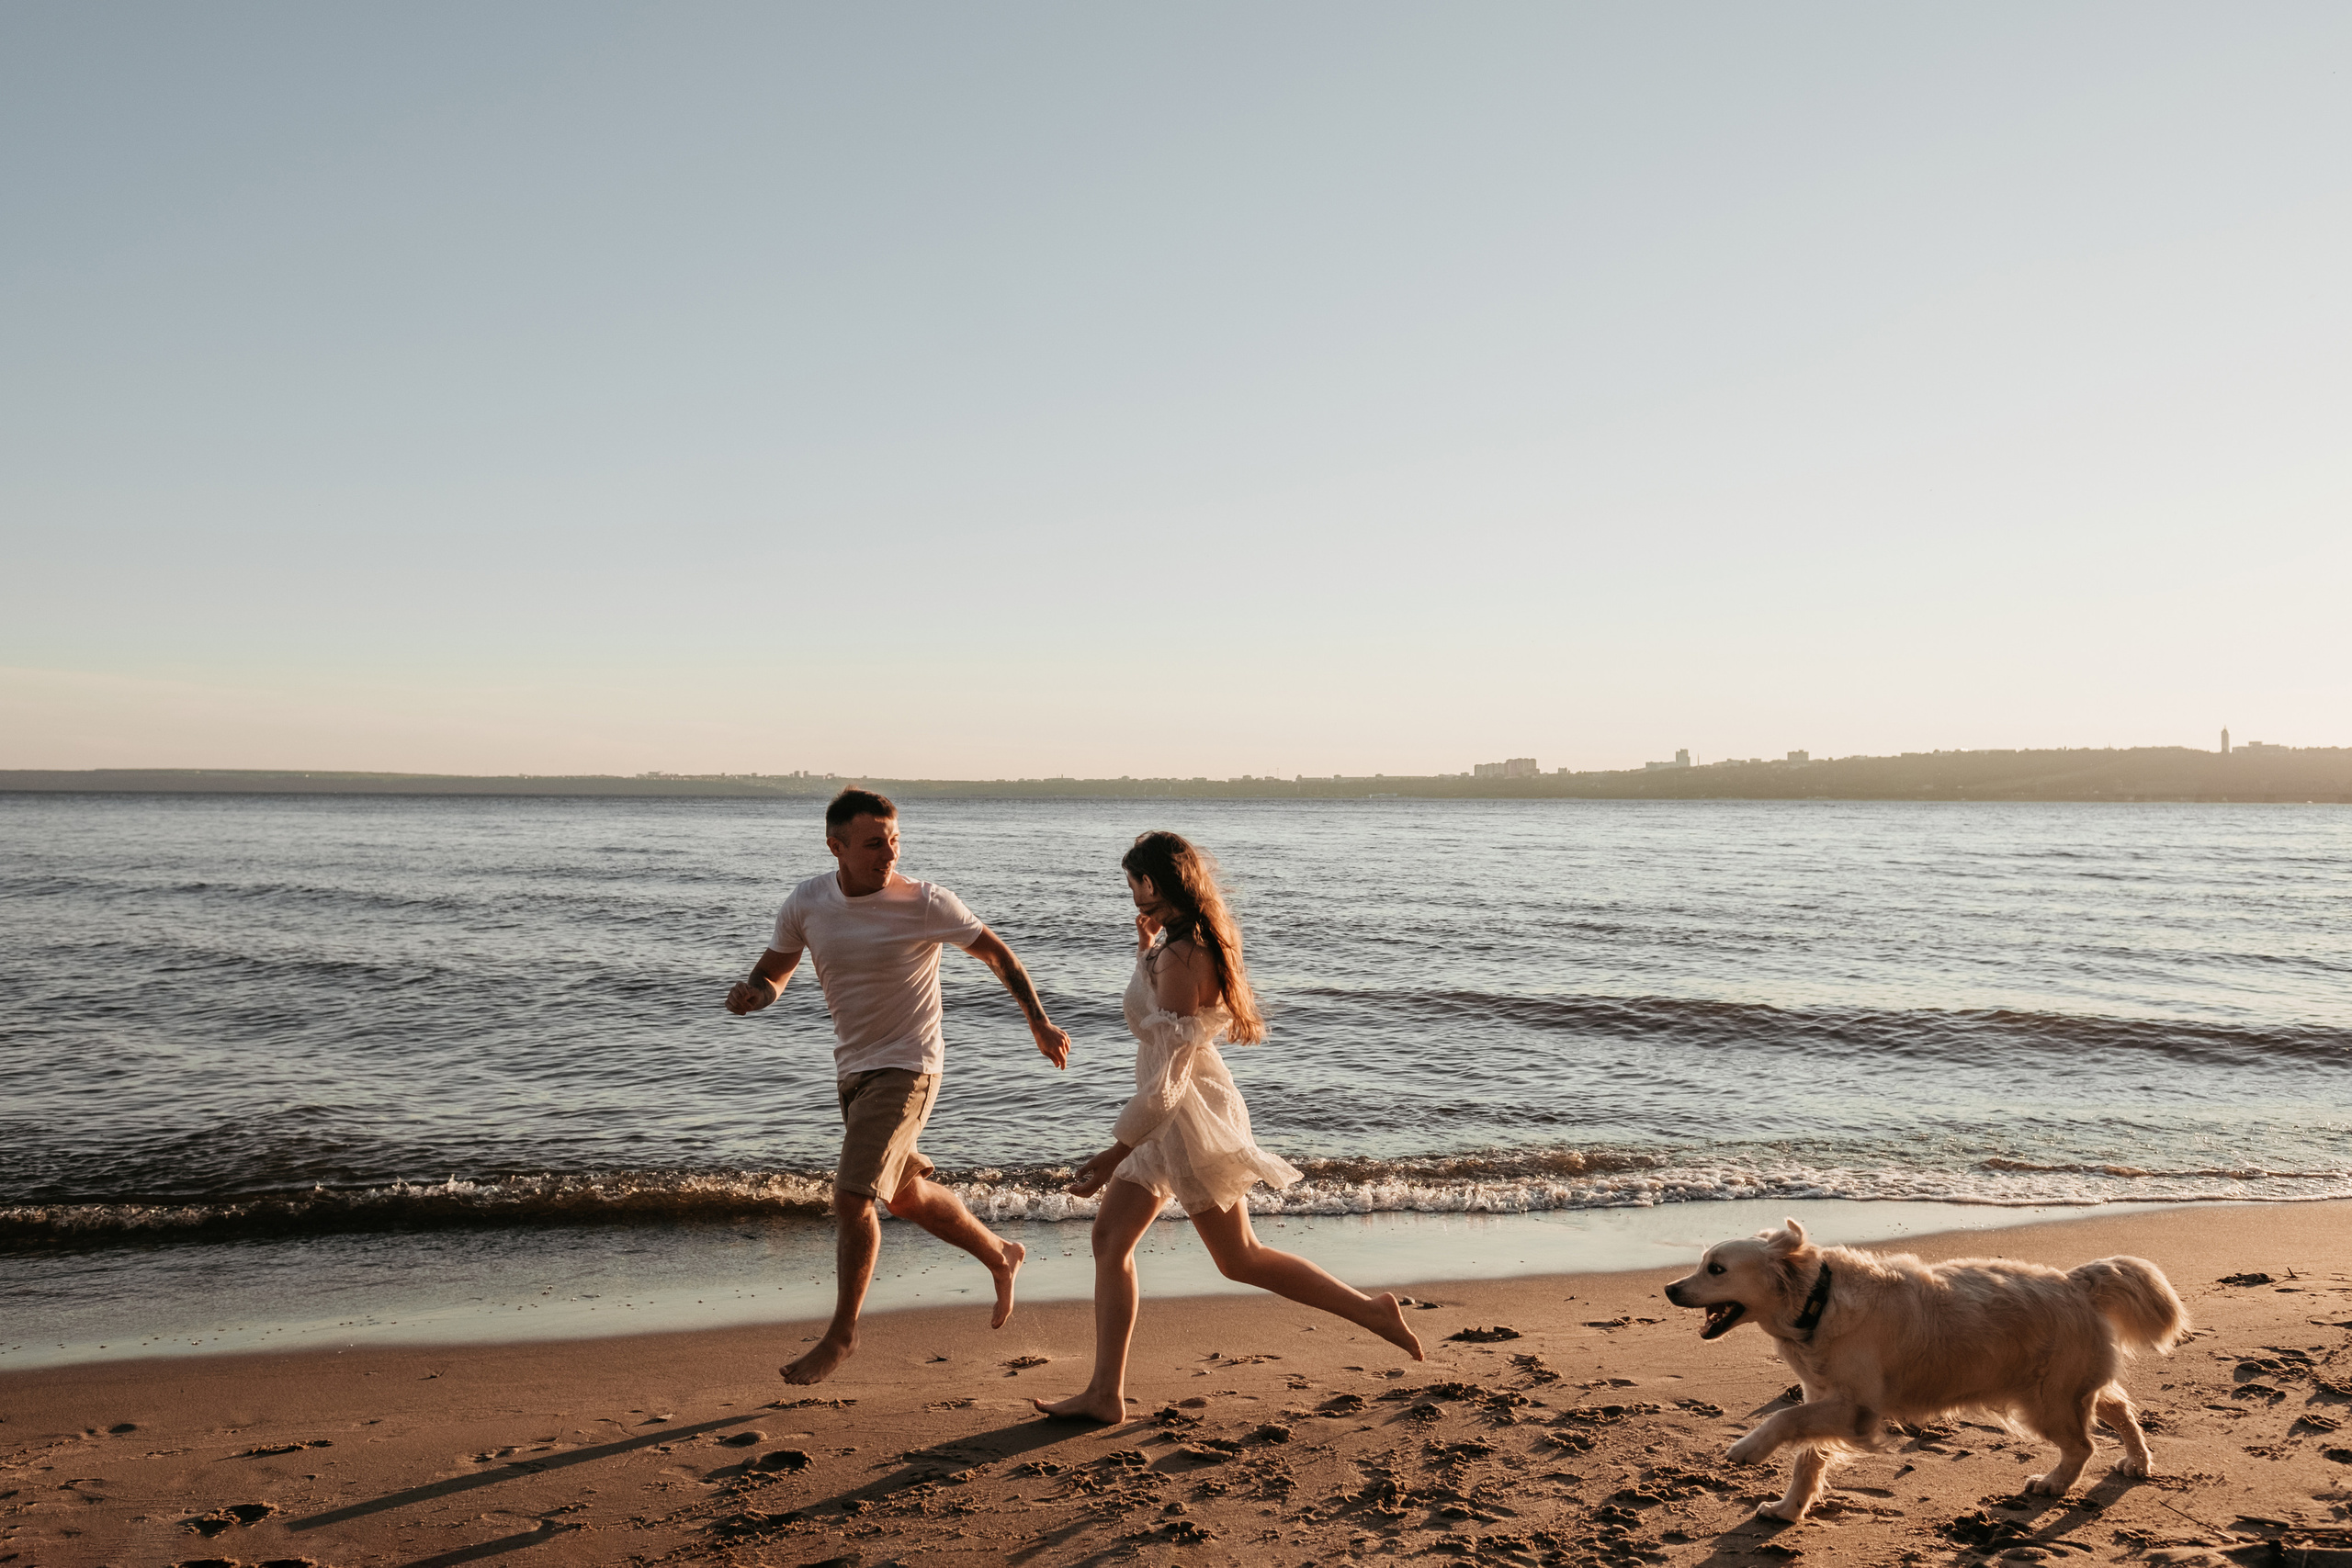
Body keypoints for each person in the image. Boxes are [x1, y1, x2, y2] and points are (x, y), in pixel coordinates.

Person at [1033, 830, 1423, 1424]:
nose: (1132, 894)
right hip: (1166, 1116)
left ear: (1156, 882)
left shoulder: (1183, 957)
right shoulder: (1182, 945)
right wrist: (1145, 951)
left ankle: (1372, 1310)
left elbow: (1166, 1082)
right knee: (1110, 1241)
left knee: (1240, 1257)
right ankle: (1105, 1391)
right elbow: (1161, 1026)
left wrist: (1115, 1151)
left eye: (1135, 883)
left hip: (1181, 1120)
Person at [726, 788, 1073, 1385]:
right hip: (855, 1070)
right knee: (904, 1196)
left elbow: (997, 954)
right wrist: (756, 993)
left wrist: (1038, 1020)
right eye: (871, 844)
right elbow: (775, 968)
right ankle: (1001, 1254)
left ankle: (842, 1334)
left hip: (910, 1067)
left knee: (853, 1196)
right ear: (835, 846)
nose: (886, 853)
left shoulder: (925, 902)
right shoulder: (808, 901)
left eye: (892, 840)